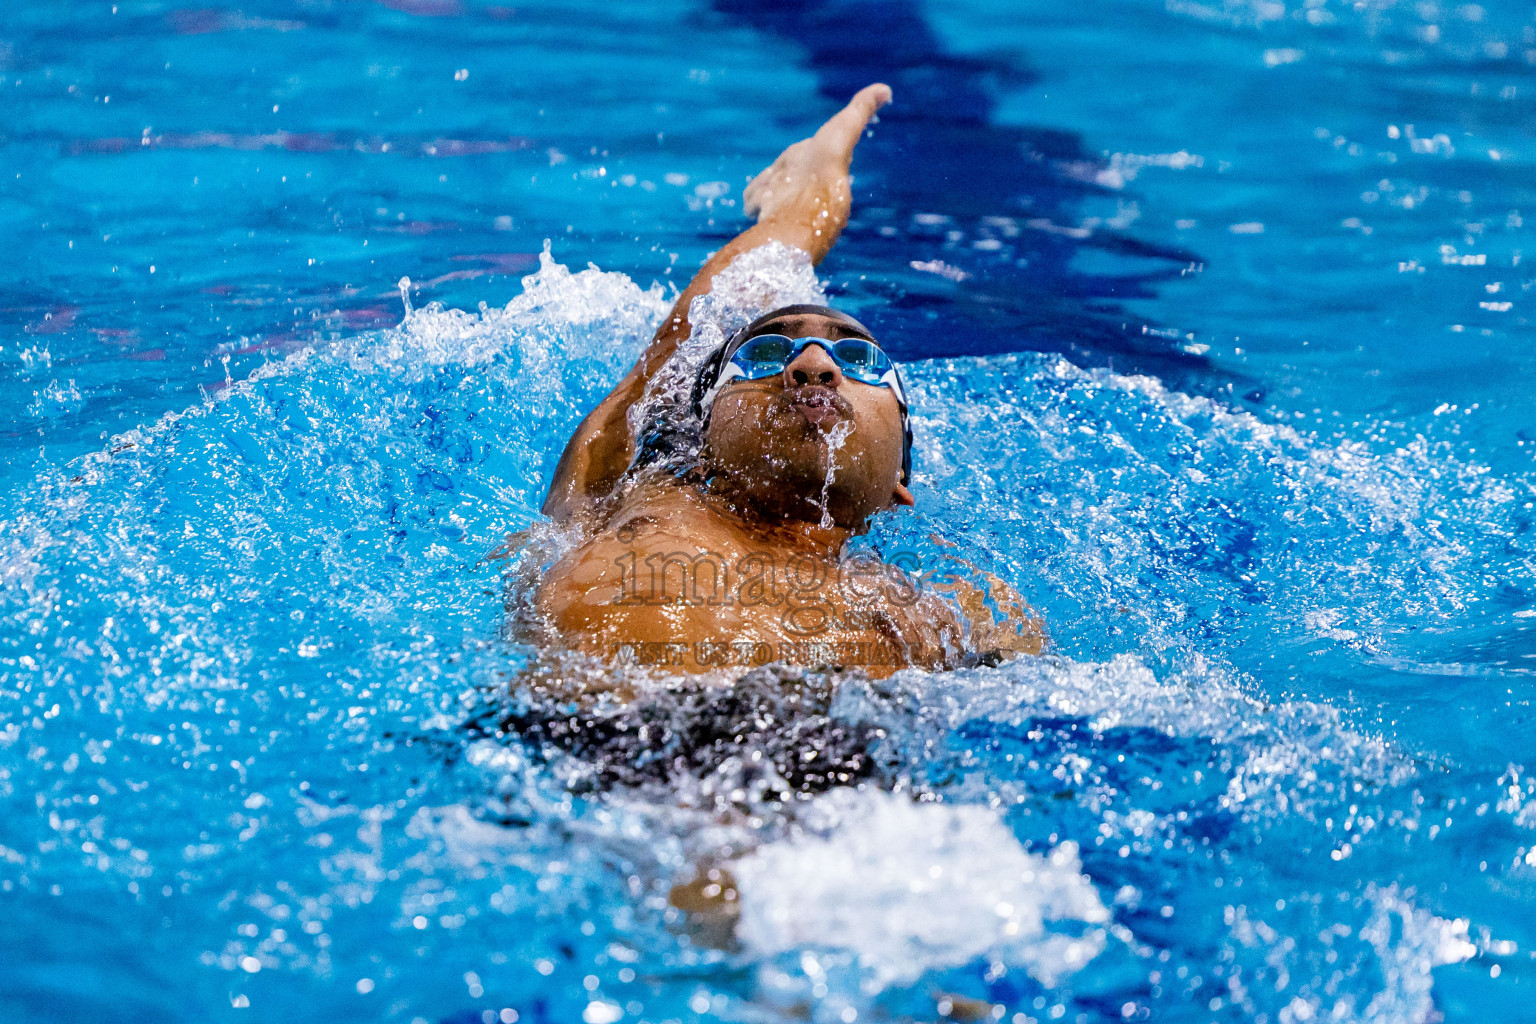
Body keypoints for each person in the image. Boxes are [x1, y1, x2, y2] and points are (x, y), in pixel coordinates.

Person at [527, 83, 1041, 679]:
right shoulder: (624, 497)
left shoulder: (954, 614)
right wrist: (805, 207)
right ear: (702, 445)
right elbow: (679, 342)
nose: (815, 366)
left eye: (860, 360)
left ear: (901, 477)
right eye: (768, 353)